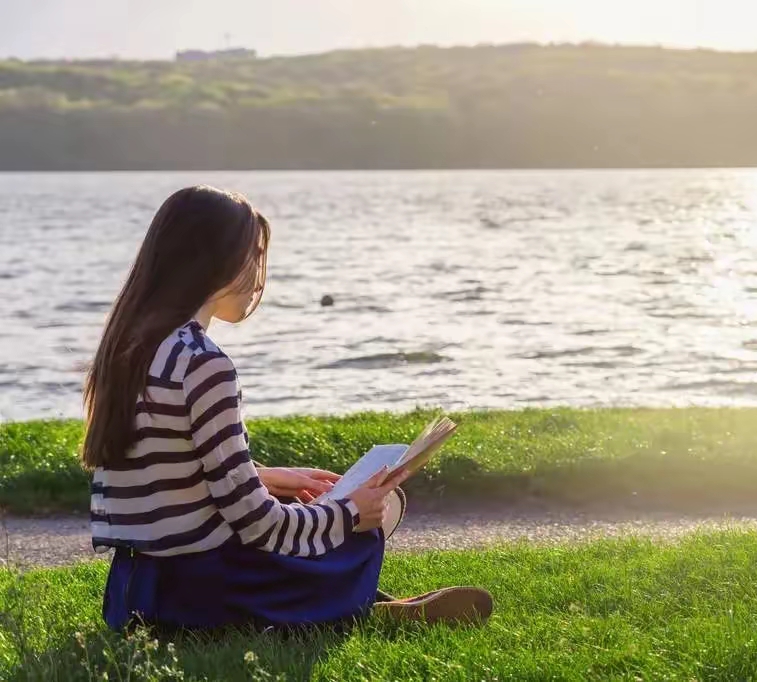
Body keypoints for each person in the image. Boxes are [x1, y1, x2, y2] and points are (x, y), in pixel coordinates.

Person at [82, 185, 493, 633]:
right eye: (253, 255)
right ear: (212, 258)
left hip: (136, 591)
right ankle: (351, 610)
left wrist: (265, 475)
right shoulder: (203, 363)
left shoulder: (128, 348)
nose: (260, 274)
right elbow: (259, 525)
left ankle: (358, 605)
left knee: (314, 510)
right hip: (204, 594)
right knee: (370, 522)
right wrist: (354, 512)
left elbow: (162, 470)